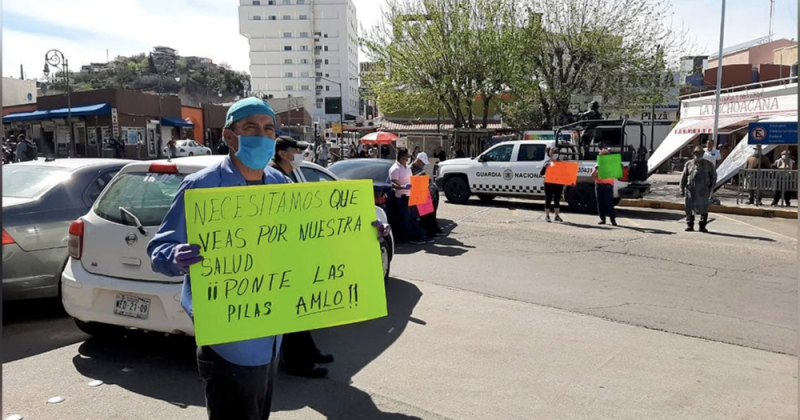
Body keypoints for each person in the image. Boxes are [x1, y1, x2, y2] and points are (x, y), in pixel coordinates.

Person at [147, 98, 292, 420]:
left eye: (268, 129)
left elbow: (307, 238)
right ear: (229, 136)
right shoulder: (202, 186)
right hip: (228, 338)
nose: (262, 135)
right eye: (250, 127)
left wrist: (362, 235)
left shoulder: (279, 183)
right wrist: (175, 256)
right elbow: (159, 252)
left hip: (272, 334)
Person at [268, 136, 335, 378]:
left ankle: (309, 350)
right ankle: (297, 362)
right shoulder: (273, 176)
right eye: (297, 150)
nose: (301, 154)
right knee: (290, 312)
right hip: (281, 255)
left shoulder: (290, 173)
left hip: (294, 251)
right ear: (283, 153)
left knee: (301, 309)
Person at [390, 148, 430, 244]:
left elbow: (411, 179)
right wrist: (403, 186)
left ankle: (418, 235)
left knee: (414, 217)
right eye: (405, 158)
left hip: (410, 195)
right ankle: (411, 237)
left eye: (407, 158)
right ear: (400, 158)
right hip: (402, 197)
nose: (407, 160)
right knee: (406, 218)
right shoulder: (395, 168)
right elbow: (393, 184)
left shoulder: (407, 167)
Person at [680, 146, 716, 233]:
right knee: (689, 207)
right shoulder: (689, 164)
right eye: (696, 154)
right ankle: (690, 225)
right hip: (691, 190)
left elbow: (713, 177)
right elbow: (684, 177)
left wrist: (711, 189)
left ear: (703, 154)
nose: (698, 155)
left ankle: (702, 226)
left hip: (703, 190)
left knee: (704, 207)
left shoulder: (709, 164)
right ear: (693, 154)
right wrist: (681, 188)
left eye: (700, 154)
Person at [410, 152, 443, 237]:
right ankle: (428, 232)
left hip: (423, 193)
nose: (424, 165)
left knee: (431, 209)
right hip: (416, 195)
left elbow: (425, 179)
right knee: (425, 214)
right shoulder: (410, 168)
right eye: (423, 163)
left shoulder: (421, 169)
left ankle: (433, 229)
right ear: (418, 160)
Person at [592, 148, 617, 226]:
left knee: (609, 203)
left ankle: (613, 220)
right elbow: (592, 175)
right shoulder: (597, 164)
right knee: (600, 203)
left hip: (608, 186)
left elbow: (616, 175)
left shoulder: (612, 165)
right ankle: (602, 219)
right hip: (599, 186)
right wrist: (596, 170)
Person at [540, 147, 565, 223]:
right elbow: (541, 173)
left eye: (557, 153)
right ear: (550, 154)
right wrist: (546, 168)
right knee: (548, 199)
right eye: (554, 153)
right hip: (549, 184)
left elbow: (565, 174)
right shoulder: (547, 163)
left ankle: (557, 216)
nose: (556, 155)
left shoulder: (561, 163)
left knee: (557, 200)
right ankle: (547, 216)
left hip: (558, 184)